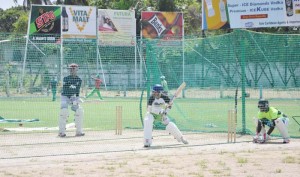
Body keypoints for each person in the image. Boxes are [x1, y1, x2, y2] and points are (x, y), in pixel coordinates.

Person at [58, 63, 84, 137]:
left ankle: (79, 131)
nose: (71, 70)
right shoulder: (66, 78)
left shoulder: (79, 80)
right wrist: (72, 100)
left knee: (80, 111)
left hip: (73, 97)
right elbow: (66, 89)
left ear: (76, 69)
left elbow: (77, 91)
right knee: (64, 111)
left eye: (73, 69)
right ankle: (61, 132)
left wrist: (77, 99)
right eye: (70, 69)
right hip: (65, 97)